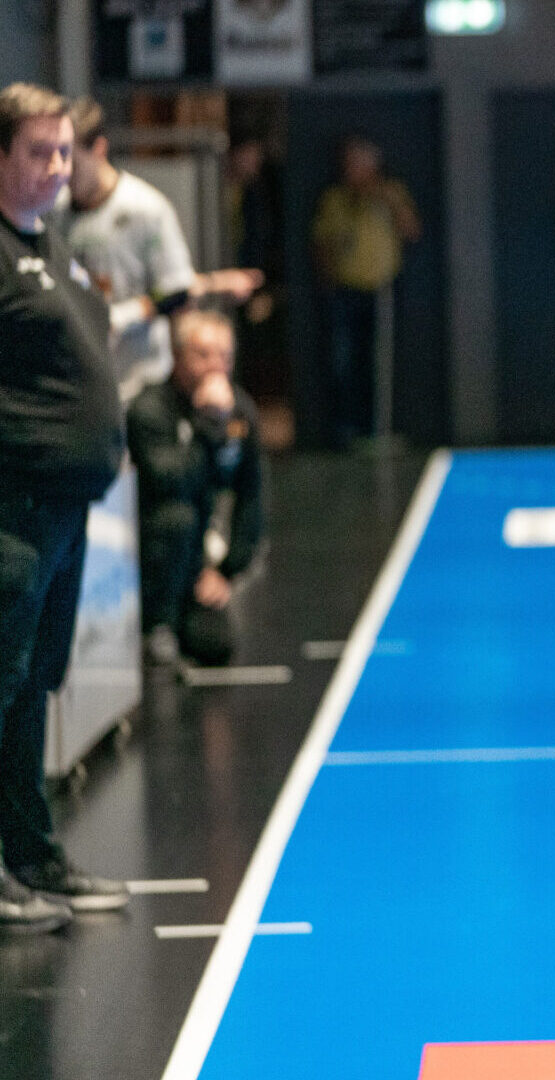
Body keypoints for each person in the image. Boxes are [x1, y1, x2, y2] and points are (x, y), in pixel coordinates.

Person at [0, 83, 132, 934]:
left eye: (63, 151)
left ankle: (31, 855)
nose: (56, 167)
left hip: (62, 508)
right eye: (37, 152)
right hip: (11, 510)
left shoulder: (49, 241)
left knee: (29, 687)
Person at [57, 98, 263, 402]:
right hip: (78, 380)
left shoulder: (146, 209)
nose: (62, 171)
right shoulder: (54, 210)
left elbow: (175, 291)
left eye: (71, 160)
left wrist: (123, 316)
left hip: (139, 383)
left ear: (98, 149)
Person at [126, 307, 264, 668]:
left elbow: (251, 496)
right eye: (203, 355)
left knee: (215, 645)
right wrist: (208, 426)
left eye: (224, 356)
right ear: (177, 354)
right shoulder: (149, 409)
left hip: (201, 562)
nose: (215, 366)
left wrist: (227, 572)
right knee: (177, 515)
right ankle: (156, 626)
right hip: (149, 556)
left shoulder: (239, 411)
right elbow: (169, 481)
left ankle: (185, 612)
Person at [311, 135, 420, 448]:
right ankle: (346, 432)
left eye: (359, 163)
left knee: (379, 362)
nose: (352, 170)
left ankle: (378, 430)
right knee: (342, 362)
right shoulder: (335, 199)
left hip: (381, 292)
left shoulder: (391, 193)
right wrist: (328, 281)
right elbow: (321, 243)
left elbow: (412, 231)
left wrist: (389, 202)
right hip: (344, 292)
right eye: (348, 164)